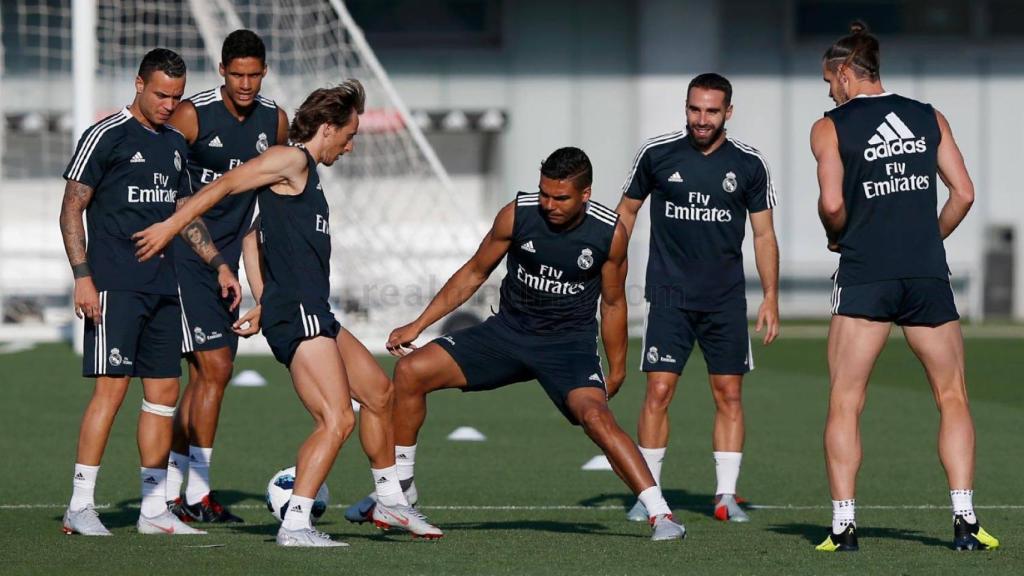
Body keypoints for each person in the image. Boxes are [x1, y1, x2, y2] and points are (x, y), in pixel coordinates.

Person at [133, 80, 441, 547]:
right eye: (349, 134)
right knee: (337, 420)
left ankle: (389, 500)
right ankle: (296, 523)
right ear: (327, 127)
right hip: (299, 313)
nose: (351, 145)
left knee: (380, 392)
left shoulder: (308, 174)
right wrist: (172, 225)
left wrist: (260, 299)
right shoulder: (292, 160)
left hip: (310, 309)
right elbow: (227, 184)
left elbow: (254, 237)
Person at [382, 147, 687, 542]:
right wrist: (419, 324)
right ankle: (401, 495)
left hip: (568, 347)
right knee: (410, 371)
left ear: (585, 194)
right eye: (544, 193)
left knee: (596, 418)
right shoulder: (518, 213)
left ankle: (660, 514)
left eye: (560, 197)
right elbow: (475, 271)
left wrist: (618, 367)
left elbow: (612, 303)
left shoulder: (609, 233)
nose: (549, 204)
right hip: (506, 334)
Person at [811, 22, 999, 552]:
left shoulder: (829, 127)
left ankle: (843, 527)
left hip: (865, 273)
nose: (828, 91)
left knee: (846, 400)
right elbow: (963, 193)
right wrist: (924, 238)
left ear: (847, 73)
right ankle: (965, 521)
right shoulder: (928, 116)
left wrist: (836, 236)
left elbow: (831, 205)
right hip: (925, 275)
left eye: (830, 80)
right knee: (952, 395)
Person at [58, 48, 233, 537]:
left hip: (164, 287)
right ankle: (79, 506)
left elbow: (183, 212)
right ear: (139, 84)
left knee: (163, 395)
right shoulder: (106, 134)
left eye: (175, 96)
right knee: (110, 392)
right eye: (160, 94)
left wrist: (218, 263)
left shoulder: (176, 141)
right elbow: (72, 208)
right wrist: (82, 275)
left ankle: (154, 509)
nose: (167, 104)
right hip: (114, 285)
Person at [616, 73, 780, 523]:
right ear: (686, 108)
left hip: (725, 299)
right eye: (694, 109)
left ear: (728, 112)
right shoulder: (657, 153)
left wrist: (770, 296)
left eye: (711, 111)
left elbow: (763, 233)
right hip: (668, 296)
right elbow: (626, 212)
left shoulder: (749, 163)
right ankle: (648, 495)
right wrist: (610, 267)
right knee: (659, 391)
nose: (701, 119)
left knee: (728, 393)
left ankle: (725, 496)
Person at [164, 29, 289, 524]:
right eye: (236, 74)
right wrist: (216, 261)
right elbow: (173, 198)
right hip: (183, 258)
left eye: (253, 75)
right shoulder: (192, 115)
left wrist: (258, 280)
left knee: (203, 377)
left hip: (227, 265)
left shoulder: (274, 120)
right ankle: (195, 492)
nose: (245, 84)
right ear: (221, 71)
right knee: (215, 368)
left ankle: (178, 489)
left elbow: (269, 201)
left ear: (264, 72)